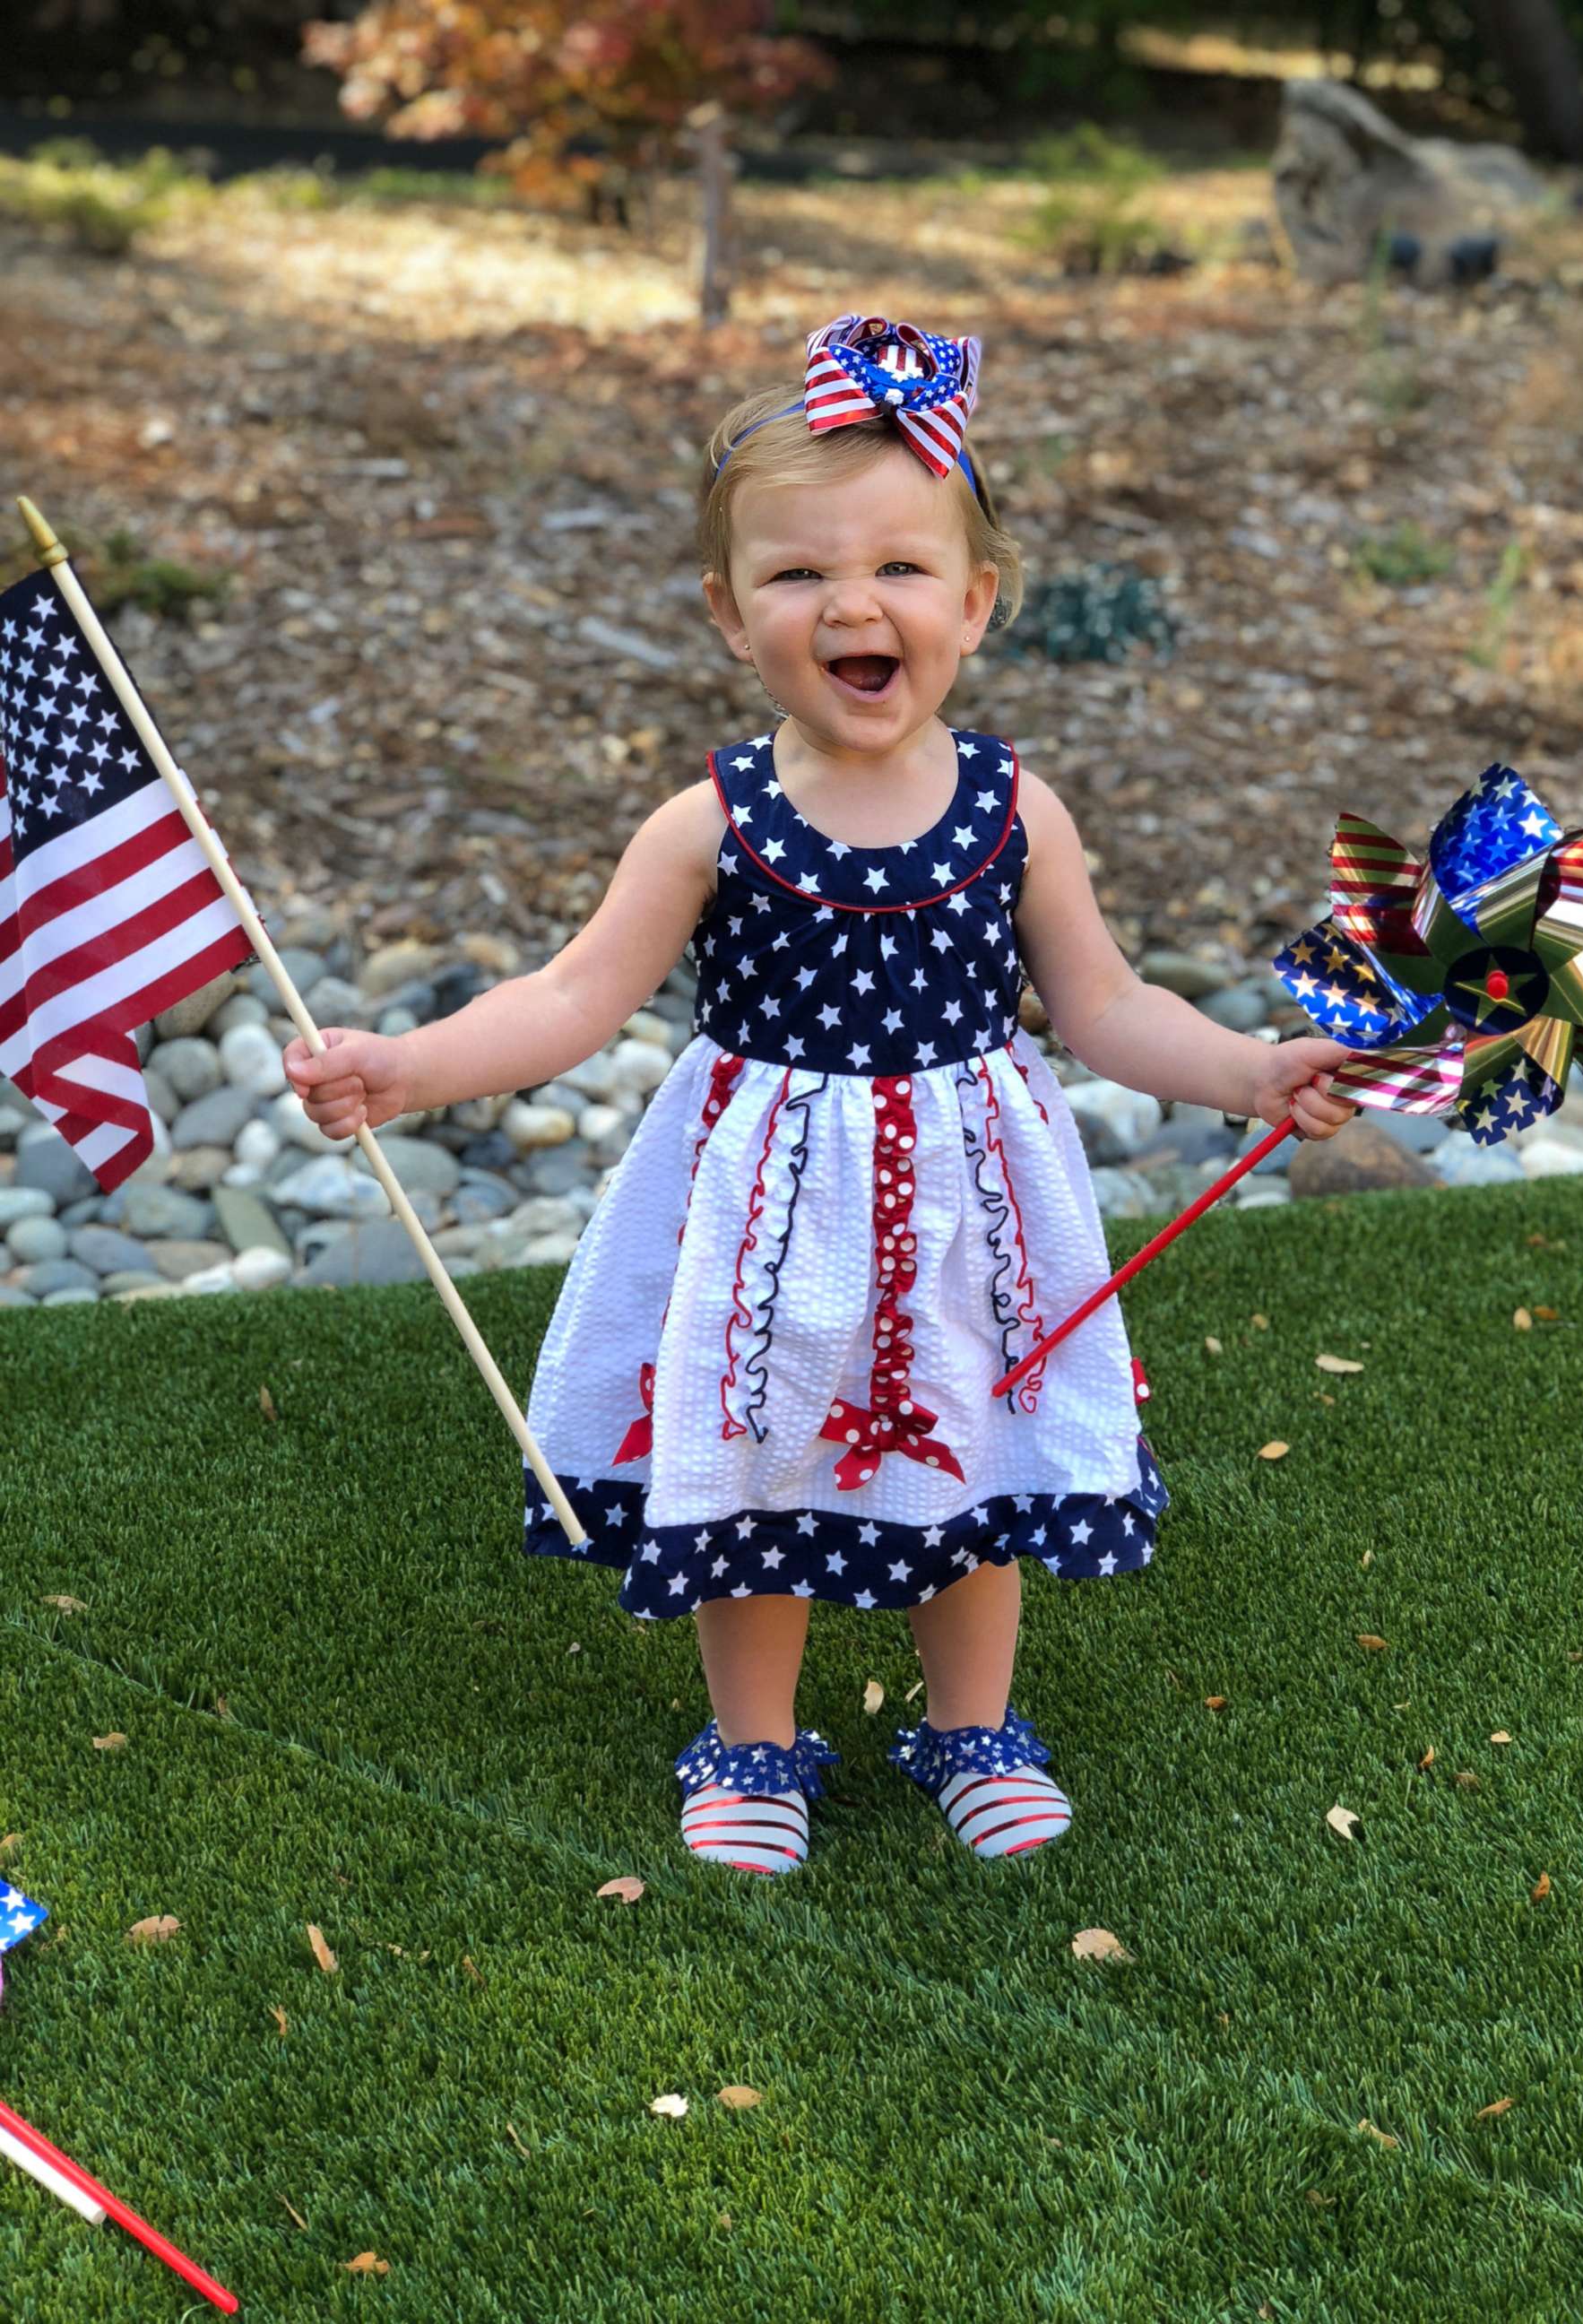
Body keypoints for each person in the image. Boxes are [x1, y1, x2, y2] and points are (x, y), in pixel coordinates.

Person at [284, 312, 1356, 1879]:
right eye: (797, 575)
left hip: (971, 1212)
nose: (854, 602)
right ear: (730, 613)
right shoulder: (709, 820)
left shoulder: (1014, 811)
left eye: (902, 569)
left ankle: (971, 1725)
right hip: (770, 1209)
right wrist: (408, 1067)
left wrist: (1256, 1068)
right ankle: (752, 1742)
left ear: (978, 602)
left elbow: (1108, 1006)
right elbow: (574, 997)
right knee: (759, 1457)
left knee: (972, 1456)